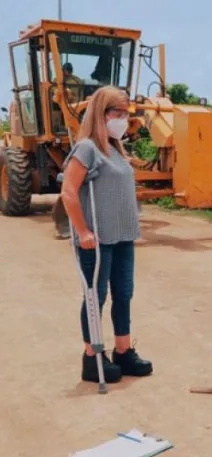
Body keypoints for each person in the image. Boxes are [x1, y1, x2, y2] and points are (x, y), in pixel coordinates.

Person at [60, 85, 153, 384]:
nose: (123, 119)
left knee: (124, 294)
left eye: (126, 114)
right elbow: (69, 191)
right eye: (117, 113)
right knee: (95, 296)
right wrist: (82, 230)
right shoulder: (87, 147)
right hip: (97, 239)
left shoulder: (116, 149)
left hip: (123, 236)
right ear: (101, 114)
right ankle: (92, 356)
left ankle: (123, 352)